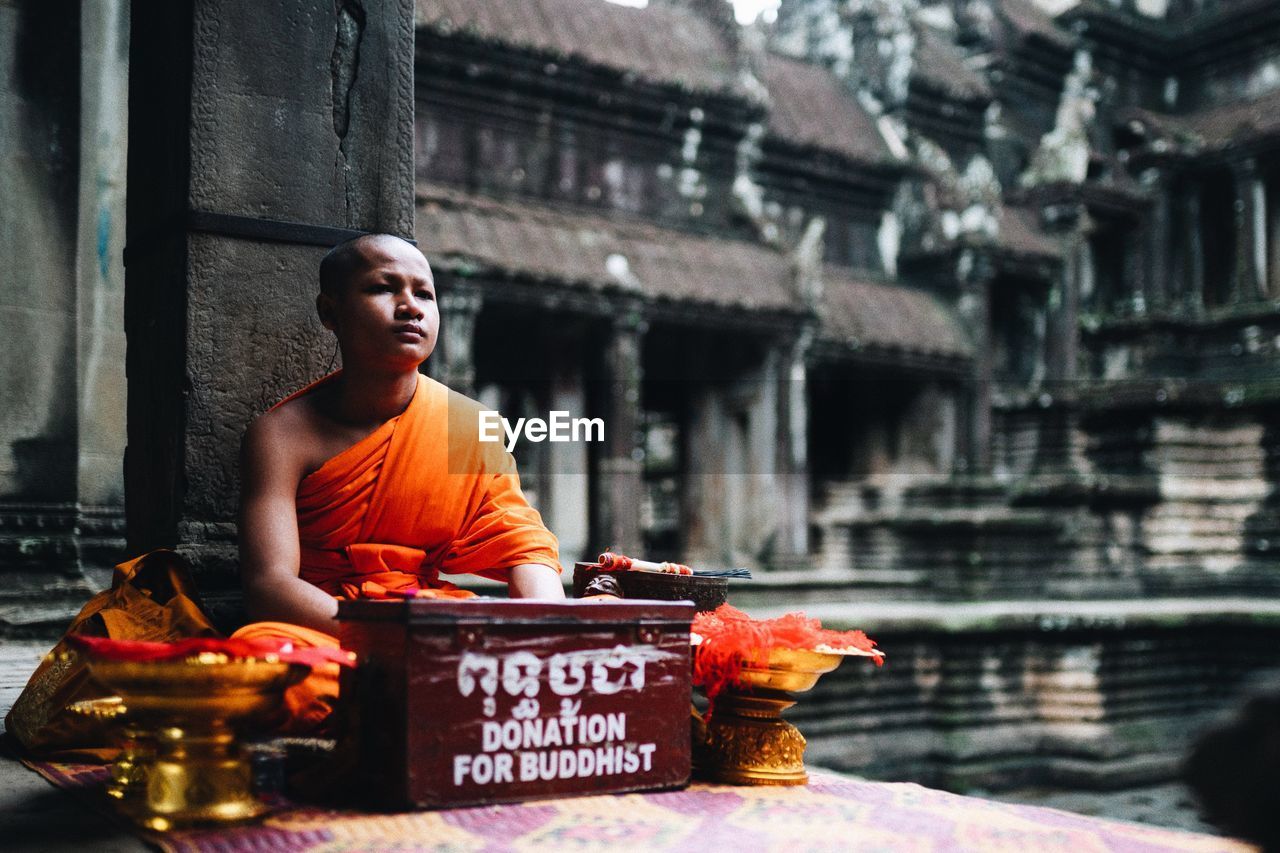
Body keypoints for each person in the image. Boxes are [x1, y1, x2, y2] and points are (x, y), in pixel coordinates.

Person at [229, 233, 564, 730]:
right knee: (260, 662)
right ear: (331, 312)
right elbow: (269, 583)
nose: (411, 307)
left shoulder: (469, 427)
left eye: (425, 294)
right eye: (385, 288)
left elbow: (526, 551)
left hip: (436, 621)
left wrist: (547, 633)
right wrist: (392, 640)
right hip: (334, 628)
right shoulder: (282, 434)